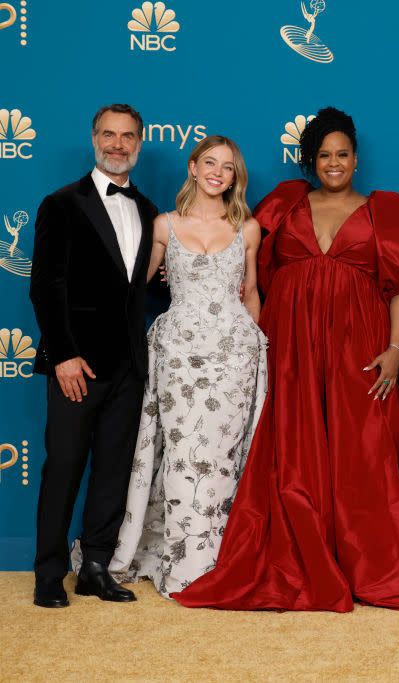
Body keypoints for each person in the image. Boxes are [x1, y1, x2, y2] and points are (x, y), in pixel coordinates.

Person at [174, 107, 399, 612]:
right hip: (292, 349)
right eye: (324, 155)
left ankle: (368, 564)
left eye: (342, 154)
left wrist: (396, 349)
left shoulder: (386, 211)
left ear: (356, 160)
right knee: (293, 456)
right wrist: (187, 268)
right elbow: (239, 252)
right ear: (310, 160)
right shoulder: (284, 204)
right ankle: (301, 557)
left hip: (358, 351)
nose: (334, 163)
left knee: (361, 456)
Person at [106, 136, 267, 598]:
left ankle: (222, 560)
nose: (219, 172)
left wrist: (255, 348)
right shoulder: (163, 224)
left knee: (222, 459)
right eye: (210, 163)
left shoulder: (248, 228)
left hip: (235, 356)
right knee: (180, 454)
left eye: (229, 167)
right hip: (178, 354)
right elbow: (136, 291)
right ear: (193, 167)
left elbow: (250, 292)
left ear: (236, 177)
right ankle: (182, 563)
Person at [29, 104, 158, 608]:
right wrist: (62, 354)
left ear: (140, 144)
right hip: (76, 365)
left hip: (128, 365)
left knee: (113, 469)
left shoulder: (147, 209)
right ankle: (48, 573)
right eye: (109, 134)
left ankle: (96, 567)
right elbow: (45, 286)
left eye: (128, 136)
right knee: (63, 465)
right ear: (93, 139)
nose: (118, 144)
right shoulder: (61, 204)